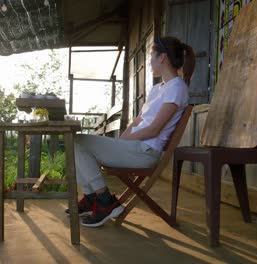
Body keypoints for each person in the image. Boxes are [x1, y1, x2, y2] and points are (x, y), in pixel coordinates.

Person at [66, 36, 196, 227]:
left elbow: (153, 129)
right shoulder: (158, 88)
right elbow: (139, 121)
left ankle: (104, 201)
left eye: (152, 55)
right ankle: (93, 197)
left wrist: (122, 143)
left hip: (145, 152)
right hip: (136, 147)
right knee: (74, 141)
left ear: (163, 58)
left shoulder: (177, 87)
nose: (149, 60)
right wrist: (121, 141)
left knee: (77, 141)